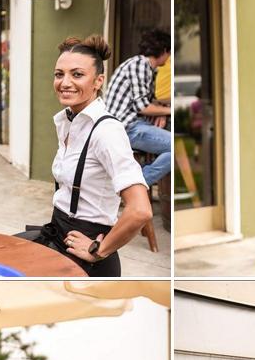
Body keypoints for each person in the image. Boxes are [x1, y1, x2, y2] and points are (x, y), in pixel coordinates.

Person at [18, 35, 152, 277]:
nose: (65, 82)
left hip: (83, 257)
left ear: (98, 81)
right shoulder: (69, 122)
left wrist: (98, 250)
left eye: (77, 74)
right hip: (56, 235)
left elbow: (140, 210)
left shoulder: (106, 131)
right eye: (59, 74)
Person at [104, 29, 172, 185]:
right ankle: (137, 184)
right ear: (163, 51)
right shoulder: (140, 64)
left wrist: (161, 110)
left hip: (130, 125)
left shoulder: (146, 68)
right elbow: (142, 106)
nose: (169, 58)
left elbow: (148, 101)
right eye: (169, 53)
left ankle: (136, 182)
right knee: (174, 147)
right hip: (126, 127)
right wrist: (170, 111)